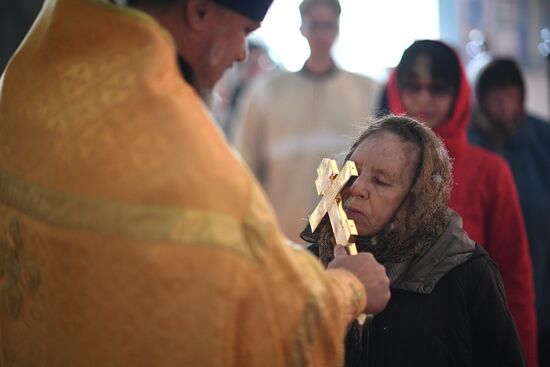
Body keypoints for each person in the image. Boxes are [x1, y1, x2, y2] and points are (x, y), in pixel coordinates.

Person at [0, 0, 391, 366]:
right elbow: (263, 317)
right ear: (200, 12)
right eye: (243, 30)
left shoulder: (30, 80)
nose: (241, 52)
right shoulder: (189, 155)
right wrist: (348, 289)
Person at [303, 115, 526, 366]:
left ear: (416, 200)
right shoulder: (312, 262)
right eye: (352, 173)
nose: (357, 188)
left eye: (381, 181)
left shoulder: (465, 272)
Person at [382, 39, 538, 367]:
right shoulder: (375, 167)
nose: (423, 99)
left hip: (471, 342)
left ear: (458, 94)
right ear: (397, 90)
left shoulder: (489, 172)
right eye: (413, 86)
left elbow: (514, 277)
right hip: (392, 341)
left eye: (437, 88)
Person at [233, 0, 380, 244]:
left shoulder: (368, 91)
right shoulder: (266, 93)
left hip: (349, 242)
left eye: (328, 26)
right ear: (302, 28)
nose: (321, 35)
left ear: (338, 28)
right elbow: (244, 167)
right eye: (314, 26)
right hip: (281, 238)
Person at [469, 58, 550, 366]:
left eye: (512, 97)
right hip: (485, 294)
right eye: (496, 98)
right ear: (480, 98)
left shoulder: (541, 140)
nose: (505, 107)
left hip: (540, 291)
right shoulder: (469, 143)